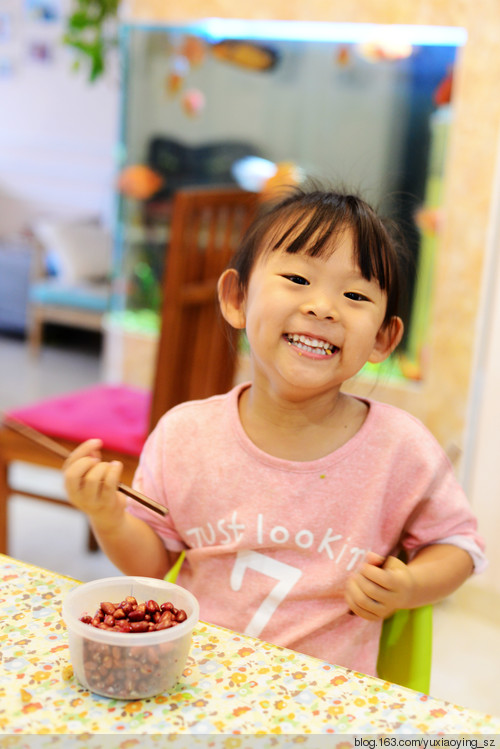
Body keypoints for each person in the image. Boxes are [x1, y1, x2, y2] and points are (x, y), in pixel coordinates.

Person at [63, 185, 486, 677]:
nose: (323, 307)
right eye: (297, 278)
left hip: (327, 706)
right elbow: (153, 568)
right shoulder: (185, 435)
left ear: (383, 337)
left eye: (354, 295)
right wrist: (108, 517)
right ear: (236, 298)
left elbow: (459, 545)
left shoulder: (401, 448)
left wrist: (411, 586)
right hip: (197, 685)